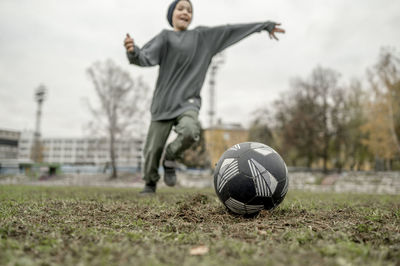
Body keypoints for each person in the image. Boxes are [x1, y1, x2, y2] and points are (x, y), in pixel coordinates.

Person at [124, 0, 285, 194]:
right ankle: (149, 185)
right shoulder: (165, 38)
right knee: (151, 151)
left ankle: (171, 156)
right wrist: (133, 51)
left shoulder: (203, 37)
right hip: (163, 105)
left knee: (190, 131)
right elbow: (144, 57)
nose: (185, 12)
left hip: (188, 103)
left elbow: (229, 31)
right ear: (171, 15)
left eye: (189, 10)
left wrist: (263, 26)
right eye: (180, 9)